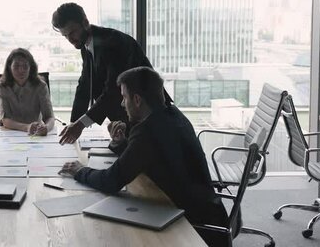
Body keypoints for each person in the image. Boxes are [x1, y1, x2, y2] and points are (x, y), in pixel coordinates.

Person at [59, 67, 228, 247]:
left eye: (124, 97)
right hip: (209, 211)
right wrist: (120, 143)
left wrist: (79, 170)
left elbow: (111, 181)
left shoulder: (147, 131)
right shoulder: (172, 115)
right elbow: (151, 158)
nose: (123, 104)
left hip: (189, 224)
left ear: (137, 100)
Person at [52, 2, 172, 145]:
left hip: (149, 117)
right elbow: (84, 85)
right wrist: (73, 125)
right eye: (65, 36)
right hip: (129, 118)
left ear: (85, 22)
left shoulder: (112, 43)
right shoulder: (87, 45)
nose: (70, 40)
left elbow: (113, 91)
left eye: (72, 33)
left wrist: (79, 125)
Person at [0, 48, 55, 136]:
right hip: (11, 134)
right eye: (16, 66)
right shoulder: (3, 87)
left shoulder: (40, 86)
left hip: (36, 133)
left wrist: (46, 128)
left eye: (25, 66)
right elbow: (5, 120)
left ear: (30, 67)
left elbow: (50, 117)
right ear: (9, 67)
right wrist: (27, 127)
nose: (21, 70)